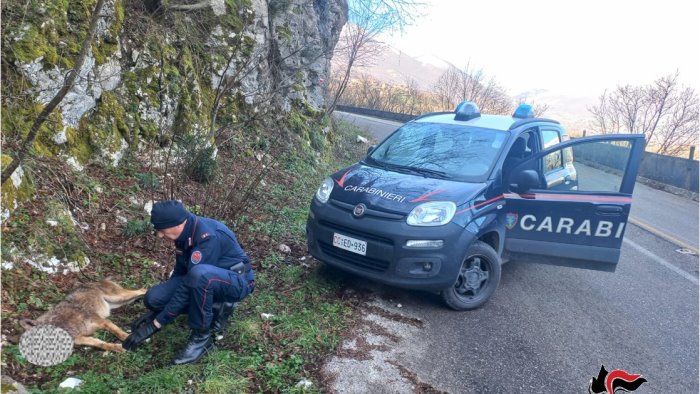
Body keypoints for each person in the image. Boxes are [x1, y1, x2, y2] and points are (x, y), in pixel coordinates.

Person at [122, 200, 255, 365]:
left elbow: (190, 283)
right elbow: (180, 272)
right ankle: (214, 305)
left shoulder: (207, 237)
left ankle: (202, 336)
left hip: (237, 282)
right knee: (154, 299)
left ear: (176, 224)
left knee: (200, 277)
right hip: (205, 279)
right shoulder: (184, 233)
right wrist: (159, 310)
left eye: (161, 230)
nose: (160, 235)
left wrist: (156, 324)